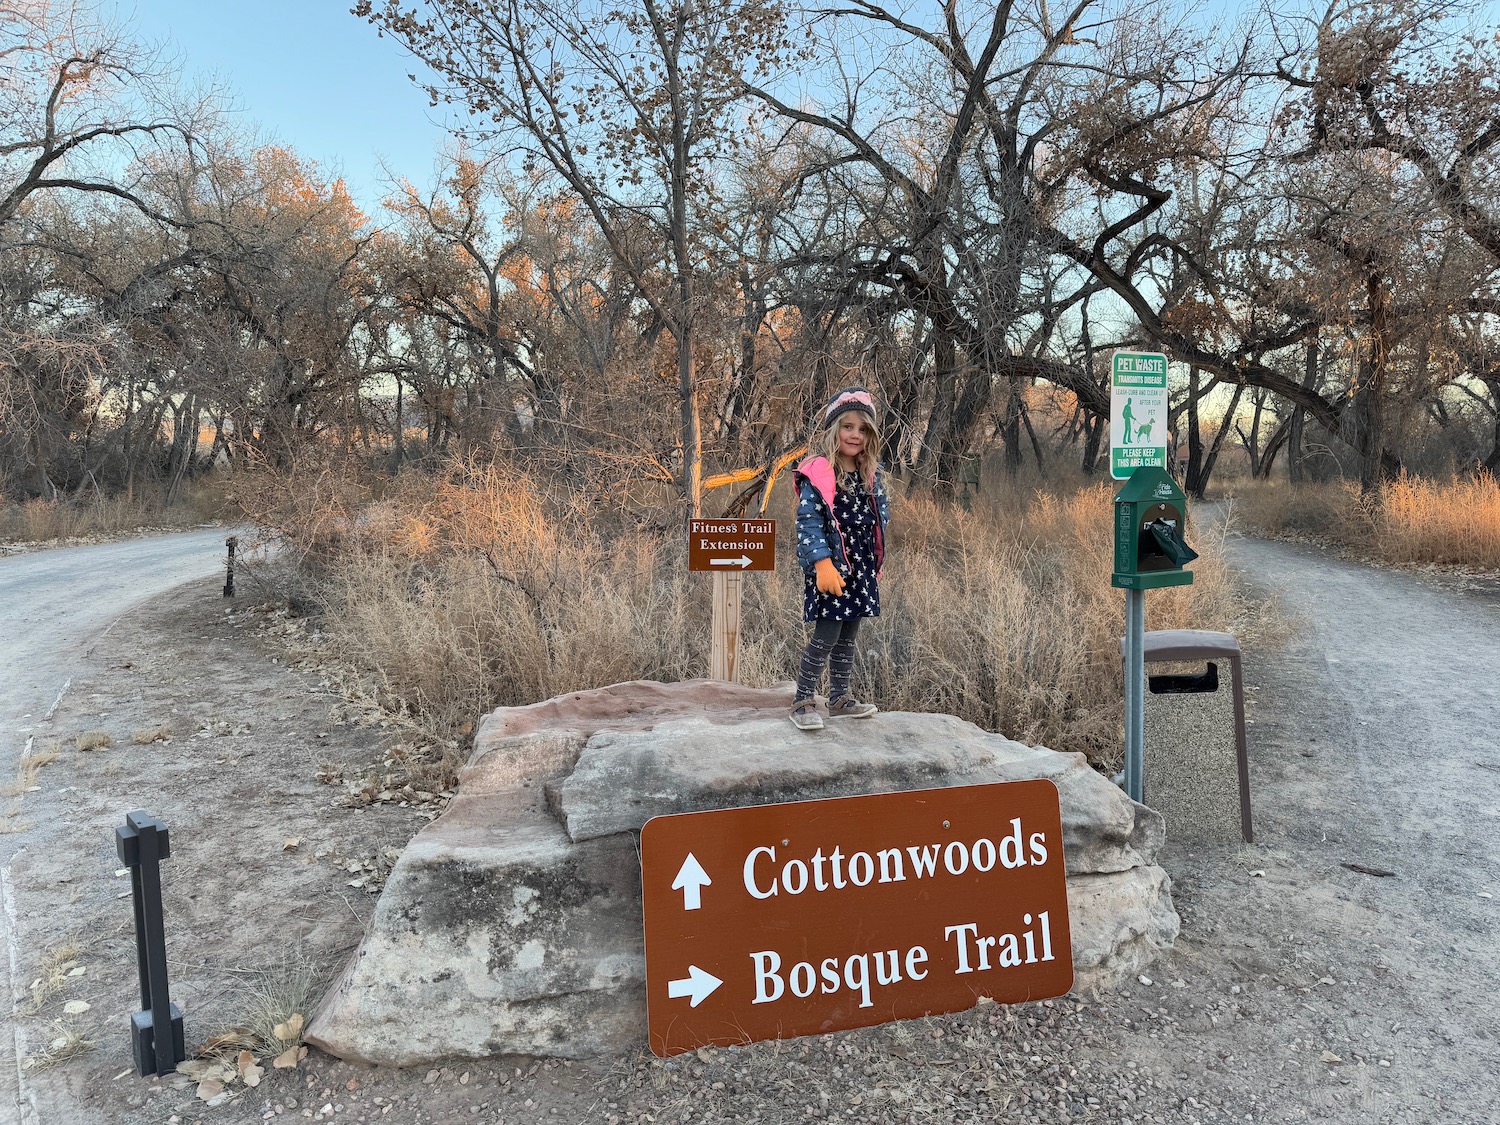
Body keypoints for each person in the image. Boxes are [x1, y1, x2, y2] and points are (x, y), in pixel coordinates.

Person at [788, 386, 892, 731]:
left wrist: (875, 561)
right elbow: (809, 523)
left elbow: (878, 519)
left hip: (860, 568)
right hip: (832, 567)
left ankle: (839, 697)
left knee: (849, 634)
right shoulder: (819, 472)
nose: (855, 435)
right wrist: (821, 564)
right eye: (848, 427)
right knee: (827, 634)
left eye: (863, 429)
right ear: (835, 429)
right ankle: (803, 699)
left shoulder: (870, 475)